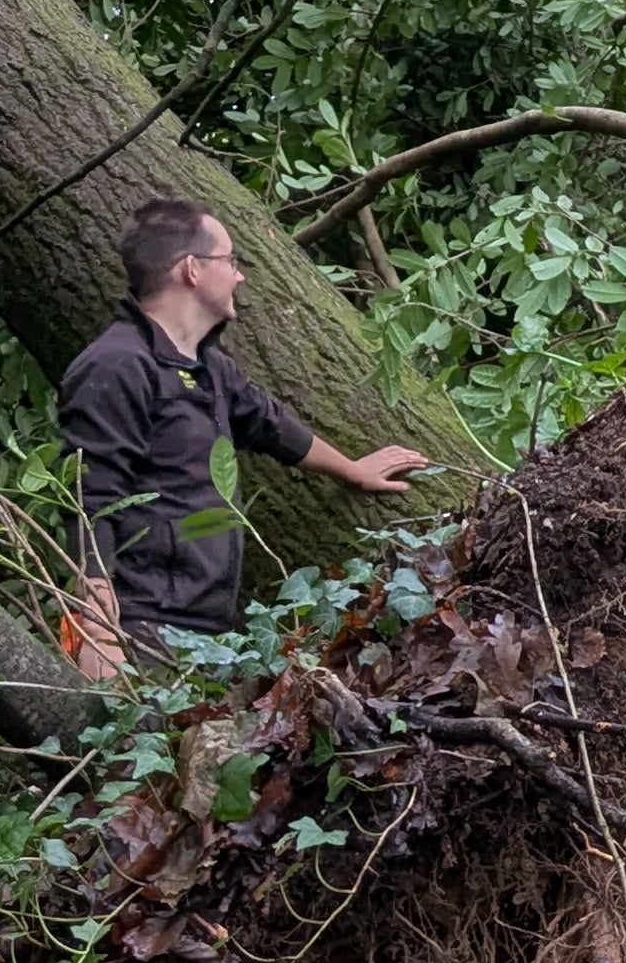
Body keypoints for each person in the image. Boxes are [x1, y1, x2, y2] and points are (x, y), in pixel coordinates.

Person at [57, 197, 429, 643]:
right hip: (143, 629)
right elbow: (89, 501)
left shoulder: (209, 367)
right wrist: (97, 628)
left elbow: (270, 426)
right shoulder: (115, 366)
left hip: (210, 633)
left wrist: (353, 470)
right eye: (230, 260)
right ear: (192, 269)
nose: (240, 274)